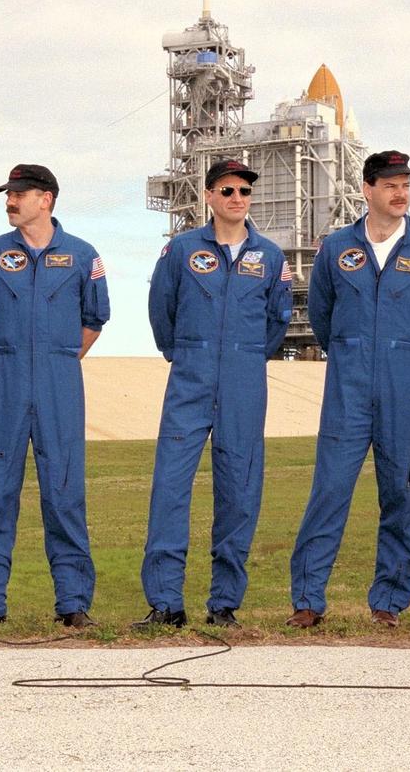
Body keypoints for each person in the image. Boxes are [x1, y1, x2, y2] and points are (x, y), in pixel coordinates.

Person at [287, 150, 410, 629]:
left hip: (408, 380)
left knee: (403, 493)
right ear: (367, 189)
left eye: (405, 184)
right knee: (330, 490)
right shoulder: (337, 247)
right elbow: (320, 313)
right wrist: (349, 349)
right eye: (390, 184)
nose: (400, 192)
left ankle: (389, 600)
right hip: (349, 379)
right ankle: (307, 600)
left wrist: (406, 350)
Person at [134, 159, 293, 628]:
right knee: (170, 488)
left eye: (245, 191)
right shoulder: (181, 250)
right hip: (191, 375)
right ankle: (165, 602)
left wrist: (245, 357)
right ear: (208, 196)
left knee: (240, 490)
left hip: (245, 378)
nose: (237, 198)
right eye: (227, 191)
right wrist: (183, 353)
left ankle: (224, 602)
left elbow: (277, 320)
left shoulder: (271, 257)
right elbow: (160, 309)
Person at [0, 164, 110, 628]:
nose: (10, 200)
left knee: (64, 494)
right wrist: (11, 355)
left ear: (46, 199)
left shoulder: (84, 255)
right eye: (8, 193)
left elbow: (94, 320)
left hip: (61, 382)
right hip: (5, 378)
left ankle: (74, 604)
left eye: (19, 193)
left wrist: (56, 359)